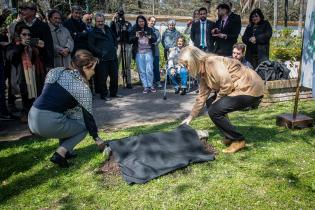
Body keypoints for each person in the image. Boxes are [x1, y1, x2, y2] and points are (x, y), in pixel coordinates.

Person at [28, 50, 107, 168]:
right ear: (85, 68)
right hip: (46, 122)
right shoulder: (82, 88)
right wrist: (97, 139)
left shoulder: (57, 71)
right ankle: (60, 154)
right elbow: (88, 119)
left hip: (32, 116)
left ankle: (67, 152)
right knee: (83, 128)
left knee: (68, 117)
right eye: (93, 68)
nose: (94, 72)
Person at [180, 46, 264, 154]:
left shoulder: (211, 62)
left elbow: (227, 84)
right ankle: (229, 135)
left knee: (214, 110)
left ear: (193, 60)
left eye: (187, 65)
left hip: (249, 87)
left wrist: (217, 100)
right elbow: (201, 96)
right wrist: (190, 117)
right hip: (240, 88)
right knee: (210, 103)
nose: (187, 69)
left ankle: (238, 140)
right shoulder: (202, 72)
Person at [6, 25, 46, 122]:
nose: (27, 37)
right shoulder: (13, 45)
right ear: (18, 35)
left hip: (31, 76)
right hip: (19, 78)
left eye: (29, 35)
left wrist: (41, 48)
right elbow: (10, 56)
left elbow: (37, 59)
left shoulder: (30, 47)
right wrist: (21, 45)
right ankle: (26, 117)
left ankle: (31, 118)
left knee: (31, 98)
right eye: (24, 34)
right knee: (25, 99)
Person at [88, 13, 119, 101]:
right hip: (102, 59)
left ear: (104, 21)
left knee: (115, 76)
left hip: (113, 57)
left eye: (102, 21)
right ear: (95, 21)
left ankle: (113, 93)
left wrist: (115, 46)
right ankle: (104, 94)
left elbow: (114, 38)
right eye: (98, 21)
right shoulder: (92, 32)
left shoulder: (108, 29)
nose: (100, 23)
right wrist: (101, 53)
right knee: (102, 78)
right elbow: (91, 46)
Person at [15, 2, 54, 70]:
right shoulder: (19, 25)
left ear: (33, 12)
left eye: (25, 9)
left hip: (40, 64)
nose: (22, 11)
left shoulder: (43, 26)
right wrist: (35, 41)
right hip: (23, 64)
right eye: (22, 9)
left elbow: (48, 46)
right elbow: (15, 42)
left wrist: (49, 66)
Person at [128, 15, 157, 94]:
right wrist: (136, 36)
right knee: (142, 71)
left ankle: (151, 85)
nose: (141, 23)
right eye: (140, 21)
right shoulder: (134, 30)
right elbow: (129, 40)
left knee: (149, 69)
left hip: (148, 52)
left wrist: (150, 37)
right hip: (139, 53)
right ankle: (145, 86)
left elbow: (155, 38)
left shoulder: (149, 29)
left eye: (143, 21)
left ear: (145, 22)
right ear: (137, 22)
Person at [110, 9, 133, 89]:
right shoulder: (114, 23)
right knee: (116, 64)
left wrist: (125, 28)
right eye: (119, 14)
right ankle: (115, 83)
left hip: (126, 45)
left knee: (127, 64)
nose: (120, 15)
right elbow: (111, 30)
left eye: (121, 14)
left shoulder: (127, 23)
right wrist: (113, 19)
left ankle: (129, 82)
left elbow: (130, 31)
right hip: (118, 45)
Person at [148, 16, 162, 88]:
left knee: (156, 67)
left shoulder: (156, 31)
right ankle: (151, 82)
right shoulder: (145, 30)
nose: (153, 22)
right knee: (149, 67)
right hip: (147, 51)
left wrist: (156, 43)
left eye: (154, 21)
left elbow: (159, 38)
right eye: (152, 21)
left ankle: (158, 81)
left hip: (155, 51)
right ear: (148, 21)